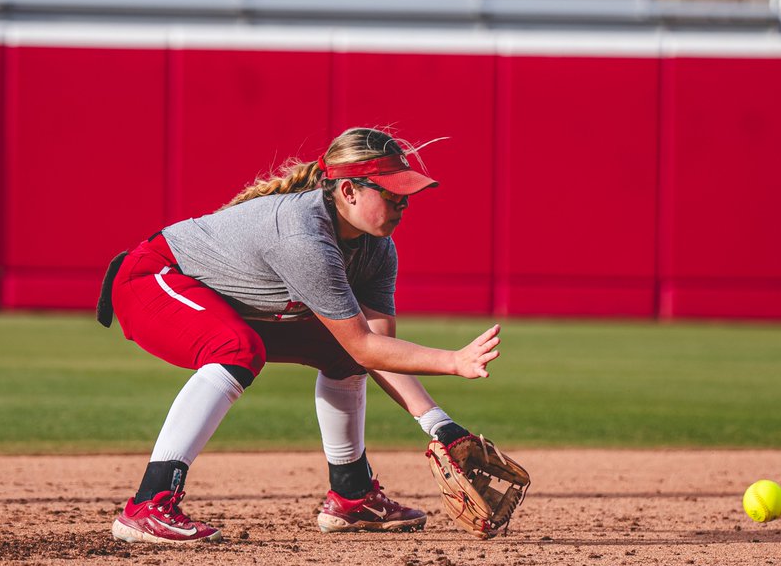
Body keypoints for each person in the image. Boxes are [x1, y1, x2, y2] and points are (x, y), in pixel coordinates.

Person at [104, 127, 501, 543]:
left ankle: (352, 496)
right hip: (152, 280)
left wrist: (443, 426)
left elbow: (376, 352)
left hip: (225, 299)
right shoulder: (303, 236)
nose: (402, 202)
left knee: (342, 355)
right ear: (348, 190)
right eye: (390, 192)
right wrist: (453, 362)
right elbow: (366, 344)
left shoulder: (377, 250)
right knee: (236, 349)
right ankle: (150, 504)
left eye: (406, 192)